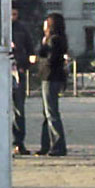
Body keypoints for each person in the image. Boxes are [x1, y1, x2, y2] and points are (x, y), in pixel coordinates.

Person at [36, 12, 68, 156]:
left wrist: (38, 60)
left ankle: (58, 145)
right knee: (47, 112)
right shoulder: (57, 39)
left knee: (51, 112)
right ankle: (46, 145)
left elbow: (49, 59)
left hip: (50, 77)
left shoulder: (53, 40)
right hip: (52, 77)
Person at [10, 7, 35, 155]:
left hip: (18, 70)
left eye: (15, 14)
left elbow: (30, 49)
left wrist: (25, 65)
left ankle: (18, 142)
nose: (13, 17)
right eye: (11, 13)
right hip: (1, 71)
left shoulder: (21, 29)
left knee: (19, 108)